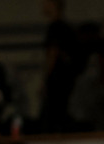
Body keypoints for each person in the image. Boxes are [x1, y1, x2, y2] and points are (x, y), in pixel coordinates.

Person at [39, 0, 79, 133]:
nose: (43, 6)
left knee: (54, 114)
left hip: (58, 79)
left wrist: (46, 78)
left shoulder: (56, 28)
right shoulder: (65, 27)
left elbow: (53, 53)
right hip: (65, 78)